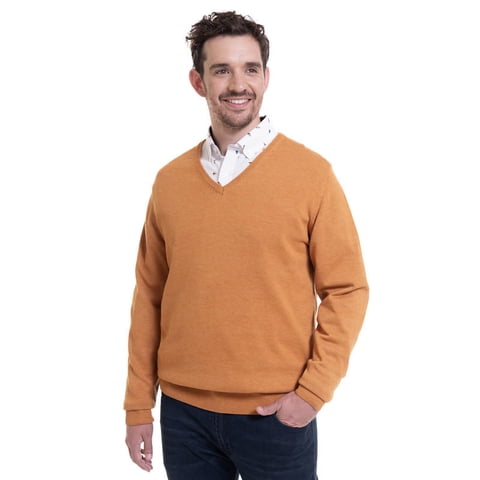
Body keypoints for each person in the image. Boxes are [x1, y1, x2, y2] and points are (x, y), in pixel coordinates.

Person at [124, 11, 368, 480]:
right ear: (198, 82)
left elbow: (347, 289)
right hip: (183, 415)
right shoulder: (169, 182)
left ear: (266, 78)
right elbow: (149, 296)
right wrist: (138, 405)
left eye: (250, 69)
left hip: (275, 414)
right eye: (222, 70)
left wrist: (312, 393)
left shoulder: (311, 175)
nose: (238, 84)